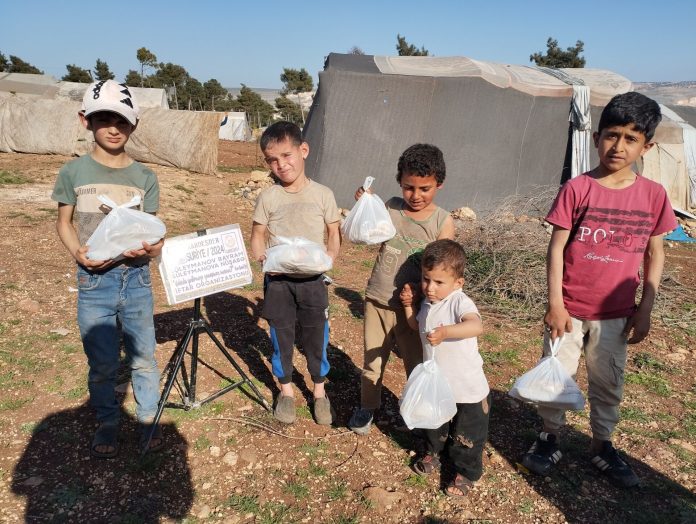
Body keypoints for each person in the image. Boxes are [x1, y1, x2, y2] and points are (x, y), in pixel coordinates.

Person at [521, 91, 677, 488]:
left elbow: (654, 256)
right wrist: (556, 304)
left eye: (630, 138)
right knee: (557, 377)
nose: (618, 146)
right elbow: (556, 248)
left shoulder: (654, 196)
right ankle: (549, 436)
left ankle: (602, 444)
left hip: (616, 315)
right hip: (569, 311)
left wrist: (645, 309)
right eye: (611, 135)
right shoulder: (578, 189)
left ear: (647, 145)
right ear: (596, 138)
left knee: (608, 382)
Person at [51, 79, 165, 458]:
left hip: (136, 279)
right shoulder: (73, 173)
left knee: (143, 356)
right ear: (86, 121)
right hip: (93, 281)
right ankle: (108, 421)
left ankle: (149, 419)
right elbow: (64, 222)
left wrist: (156, 246)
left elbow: (151, 229)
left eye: (122, 120)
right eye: (104, 119)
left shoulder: (145, 178)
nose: (113, 128)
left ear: (133, 125)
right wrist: (77, 254)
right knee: (101, 360)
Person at [348, 144, 455, 435]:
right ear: (399, 182)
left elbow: (445, 270)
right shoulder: (391, 208)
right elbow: (366, 232)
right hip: (378, 301)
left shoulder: (442, 222)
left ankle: (416, 409)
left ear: (439, 184)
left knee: (415, 363)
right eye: (409, 187)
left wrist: (419, 296)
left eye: (425, 188)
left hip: (416, 311)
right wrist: (364, 204)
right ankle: (368, 406)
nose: (416, 195)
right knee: (373, 360)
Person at [250, 121, 341, 425]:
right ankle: (286, 391)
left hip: (313, 281)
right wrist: (261, 257)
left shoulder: (323, 194)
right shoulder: (269, 197)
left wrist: (330, 257)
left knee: (317, 336)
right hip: (278, 282)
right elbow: (258, 233)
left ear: (303, 150)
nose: (281, 165)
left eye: (287, 155)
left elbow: (333, 231)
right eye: (273, 160)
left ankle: (318, 391)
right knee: (281, 335)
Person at [400, 239, 489, 497]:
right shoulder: (428, 303)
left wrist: (447, 331)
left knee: (467, 432)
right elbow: (416, 326)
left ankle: (466, 471)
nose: (430, 288)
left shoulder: (458, 302)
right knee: (434, 421)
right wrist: (408, 305)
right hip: (438, 383)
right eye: (427, 279)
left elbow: (475, 326)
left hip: (467, 386)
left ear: (457, 283)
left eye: (439, 282)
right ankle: (433, 453)